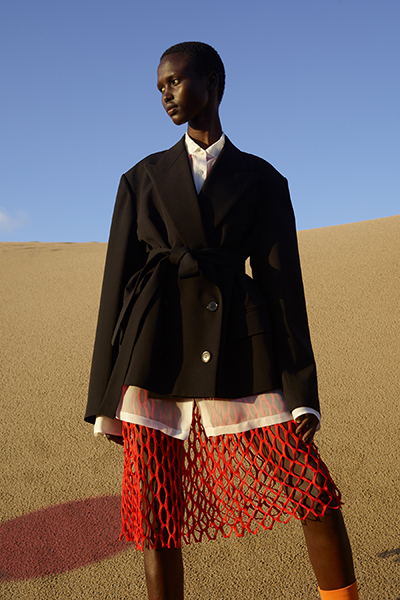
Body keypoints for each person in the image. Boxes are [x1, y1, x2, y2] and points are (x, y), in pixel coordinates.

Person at [85, 41, 359, 600]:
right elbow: (115, 290)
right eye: (159, 87)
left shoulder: (263, 179)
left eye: (174, 81)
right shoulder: (140, 178)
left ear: (212, 82)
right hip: (156, 350)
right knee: (156, 515)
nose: (165, 95)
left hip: (240, 342)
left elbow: (284, 289)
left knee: (311, 489)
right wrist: (104, 396)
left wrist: (302, 391)